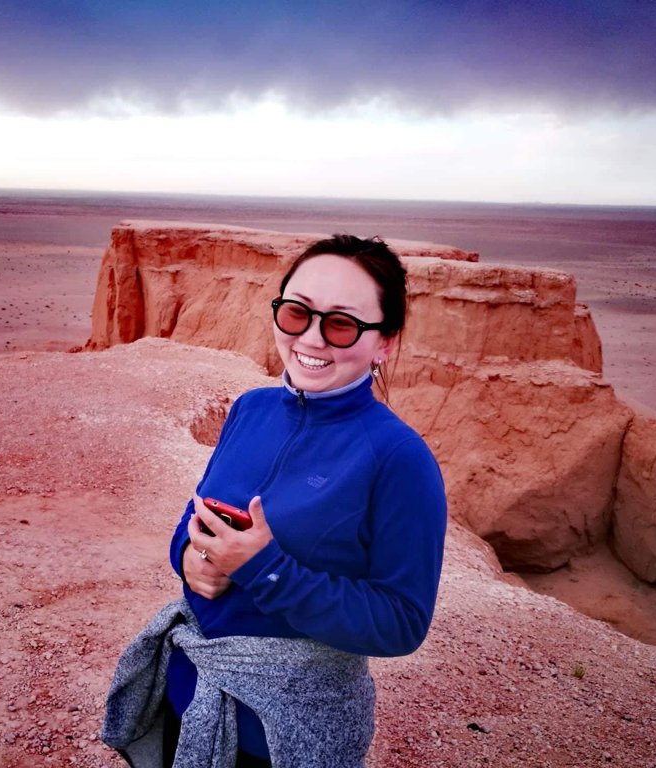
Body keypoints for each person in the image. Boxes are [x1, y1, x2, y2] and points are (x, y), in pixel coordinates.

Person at [102, 234, 447, 768]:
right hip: (187, 694)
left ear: (385, 342)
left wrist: (266, 570)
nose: (311, 337)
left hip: (284, 733)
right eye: (296, 313)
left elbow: (402, 621)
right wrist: (190, 558)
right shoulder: (251, 409)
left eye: (341, 323)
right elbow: (196, 516)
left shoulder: (399, 458)